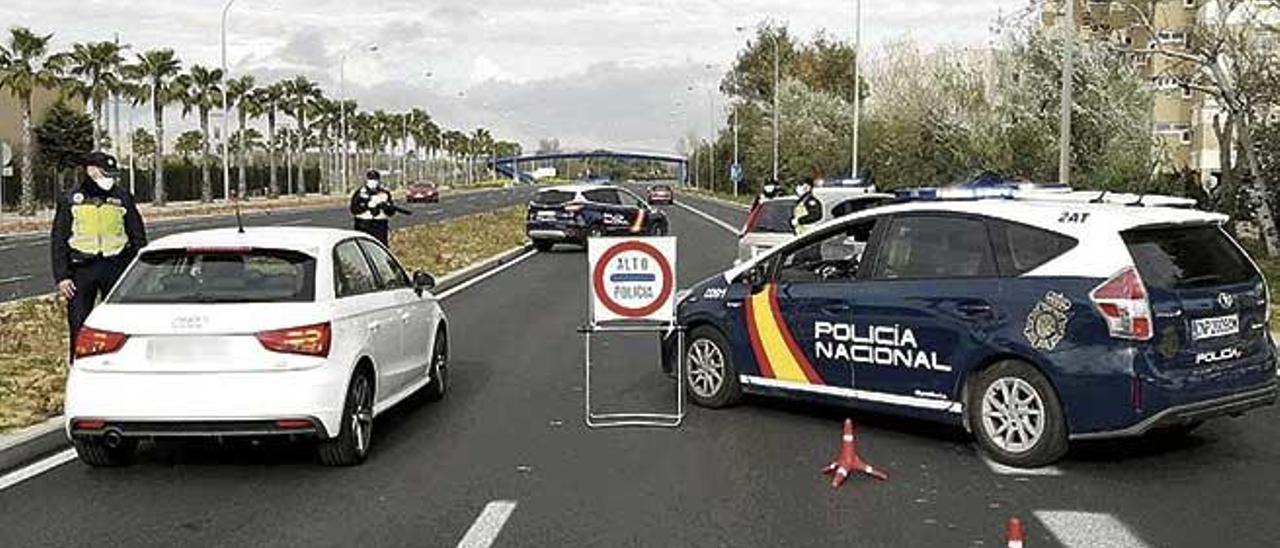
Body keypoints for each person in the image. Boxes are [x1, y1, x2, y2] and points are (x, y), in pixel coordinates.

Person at [51, 152, 147, 360]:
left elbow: (138, 236)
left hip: (116, 267)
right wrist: (62, 276)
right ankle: (79, 365)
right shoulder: (71, 198)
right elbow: (59, 239)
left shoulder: (122, 197)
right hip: (81, 269)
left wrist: (139, 273)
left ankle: (118, 362)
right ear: (90, 170)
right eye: (104, 171)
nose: (108, 177)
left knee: (117, 322)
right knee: (79, 322)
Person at [350, 170, 406, 246]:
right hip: (363, 225)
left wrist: (386, 207)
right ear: (367, 180)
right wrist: (367, 206)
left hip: (380, 226)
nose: (373, 182)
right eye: (371, 179)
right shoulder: (360, 193)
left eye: (375, 179)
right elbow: (354, 209)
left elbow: (390, 213)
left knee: (380, 247)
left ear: (378, 180)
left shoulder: (384, 193)